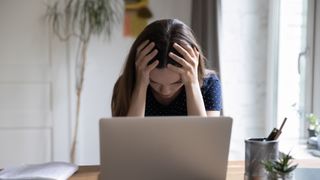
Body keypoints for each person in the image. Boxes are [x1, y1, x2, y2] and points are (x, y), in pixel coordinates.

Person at [111, 19, 222, 117]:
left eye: (177, 82)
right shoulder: (125, 86)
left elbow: (203, 137)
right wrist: (141, 85)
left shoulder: (209, 84)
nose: (165, 91)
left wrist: (191, 84)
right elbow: (129, 137)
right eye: (154, 82)